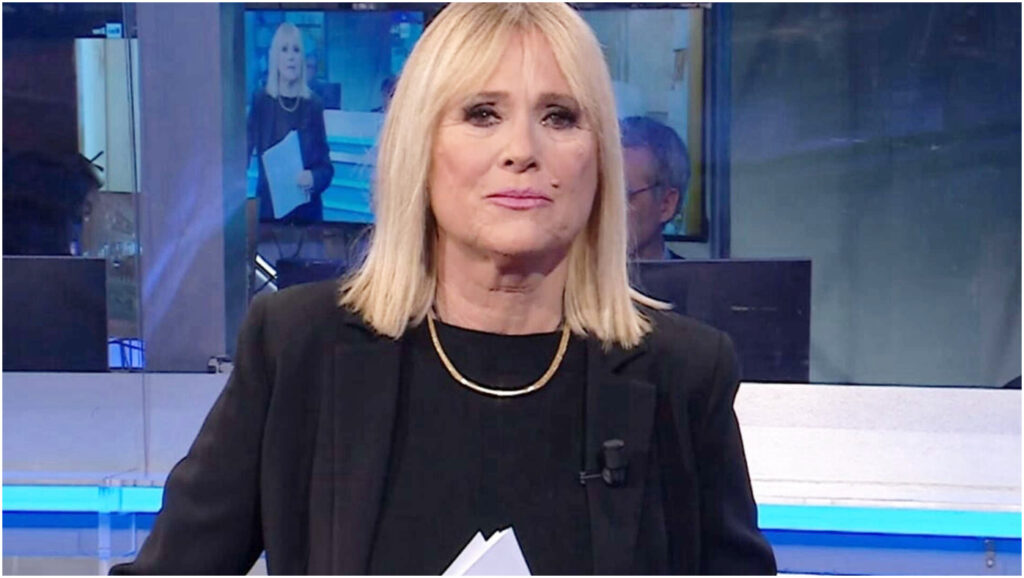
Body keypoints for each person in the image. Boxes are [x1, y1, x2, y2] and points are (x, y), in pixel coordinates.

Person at [111, 4, 775, 575]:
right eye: (482, 113)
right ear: (420, 149)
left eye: (559, 116)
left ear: (598, 157)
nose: (522, 149)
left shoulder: (685, 374)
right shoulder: (297, 347)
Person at [246, 22, 334, 224]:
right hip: (270, 219)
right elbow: (240, 154)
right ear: (275, 58)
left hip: (307, 219)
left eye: (296, 50)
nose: (291, 57)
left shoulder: (313, 105)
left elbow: (326, 168)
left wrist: (313, 178)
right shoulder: (261, 101)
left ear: (302, 59)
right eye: (284, 50)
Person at [621, 115, 690, 260]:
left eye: (622, 195)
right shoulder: (572, 273)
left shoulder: (697, 275)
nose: (603, 208)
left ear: (666, 204)